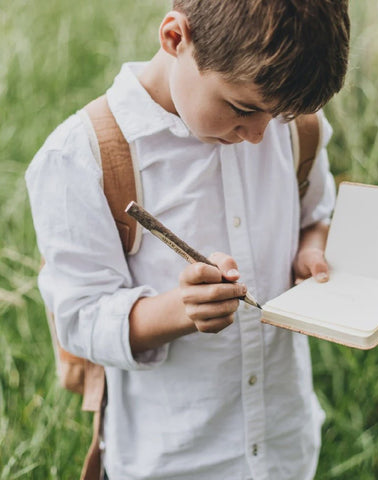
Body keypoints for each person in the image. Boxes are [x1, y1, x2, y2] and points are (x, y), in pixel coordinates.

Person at [26, 0, 350, 478]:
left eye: (276, 115)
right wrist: (181, 309)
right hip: (173, 459)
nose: (259, 135)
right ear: (175, 38)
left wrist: (310, 250)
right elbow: (80, 318)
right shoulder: (82, 158)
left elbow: (314, 212)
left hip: (284, 441)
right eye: (242, 109)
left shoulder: (291, 125)